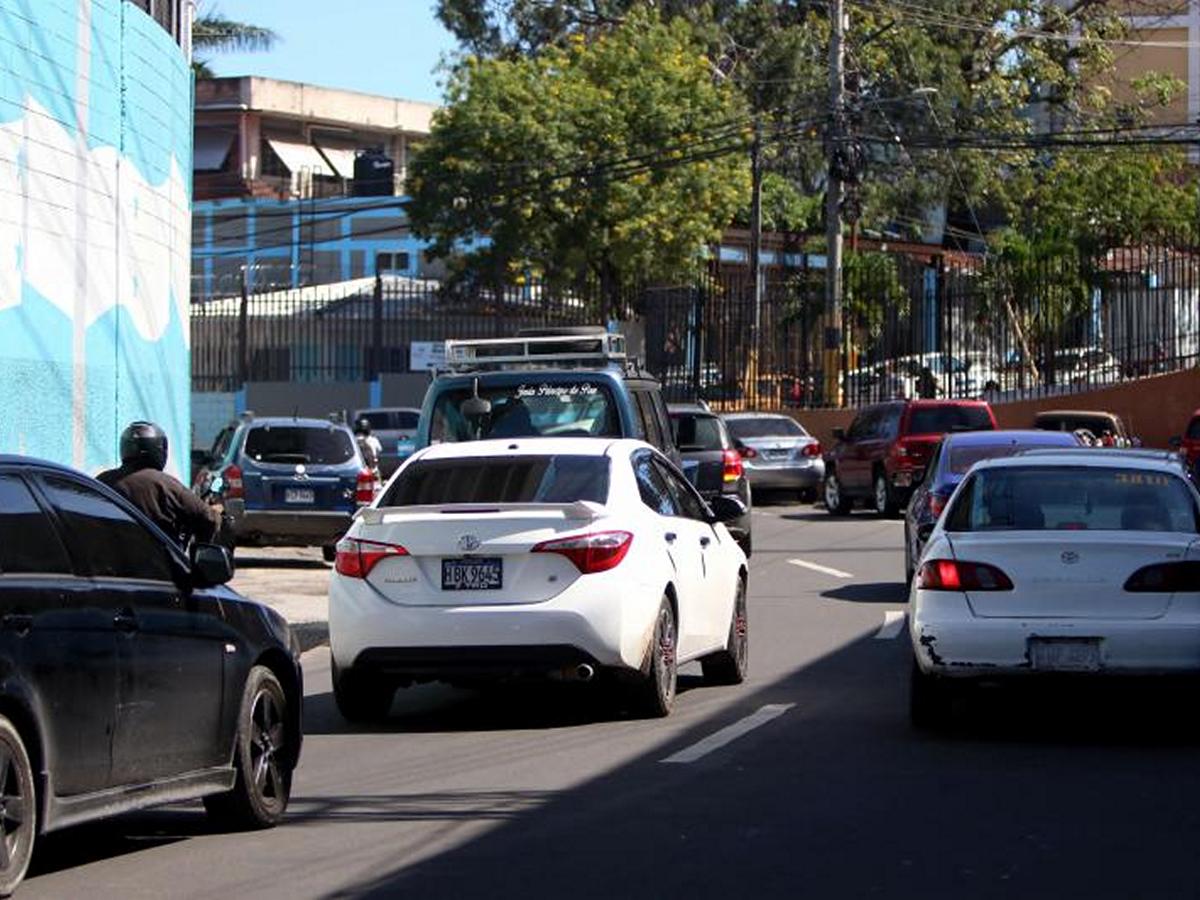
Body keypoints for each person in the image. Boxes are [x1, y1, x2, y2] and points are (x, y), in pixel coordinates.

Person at [98, 421, 222, 546]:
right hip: (156, 563)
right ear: (159, 450)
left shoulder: (102, 482)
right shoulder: (168, 485)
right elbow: (209, 519)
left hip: (102, 562)